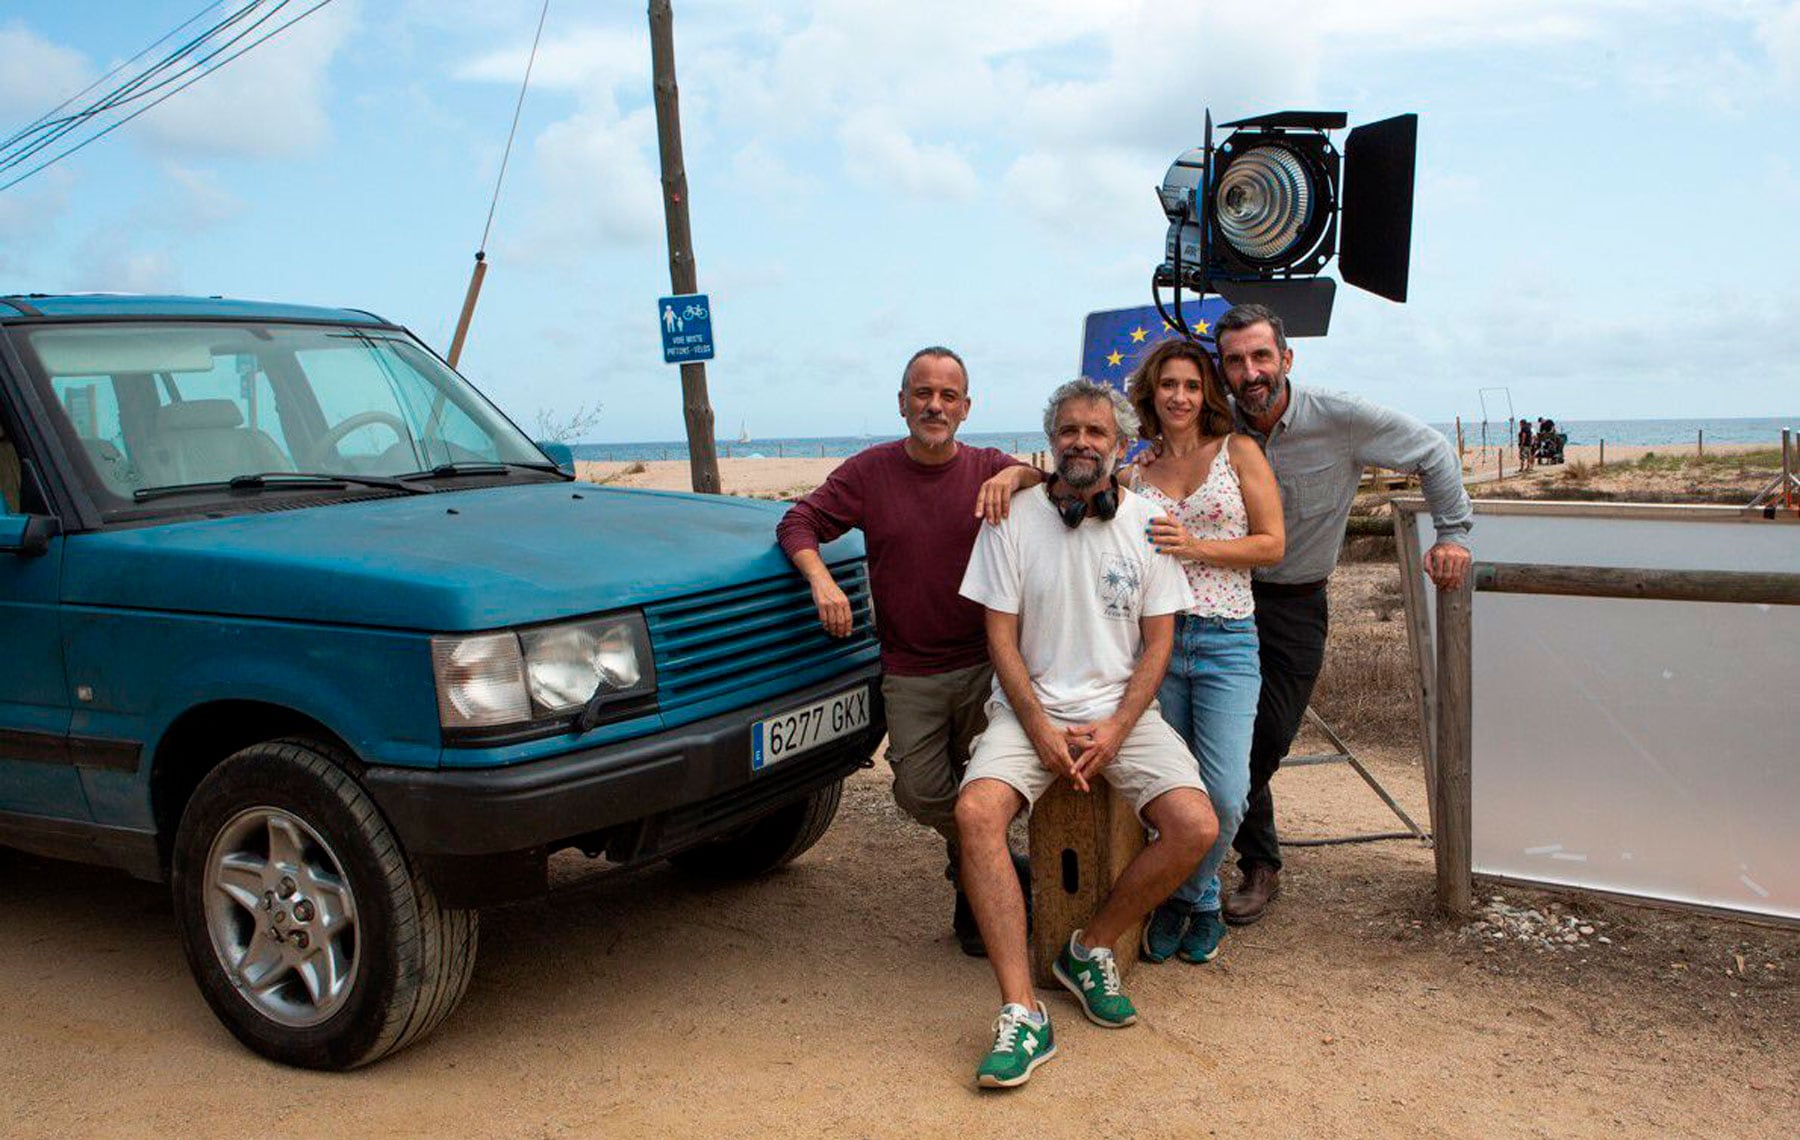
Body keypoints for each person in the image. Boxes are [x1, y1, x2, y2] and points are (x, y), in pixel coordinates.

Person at [954, 377, 1217, 1088]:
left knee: (1195, 826)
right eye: (1069, 431)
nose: (1081, 442)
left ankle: (1090, 947)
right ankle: (1021, 1011)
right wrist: (1038, 729)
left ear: (1121, 444)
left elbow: (1158, 645)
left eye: (1096, 432)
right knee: (976, 814)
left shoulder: (1149, 523)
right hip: (1027, 711)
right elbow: (999, 639)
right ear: (1051, 442)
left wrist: (1117, 727)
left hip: (1122, 716)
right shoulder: (1009, 518)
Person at [1213, 303, 1472, 926]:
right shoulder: (1214, 423)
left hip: (1296, 603)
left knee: (1263, 741)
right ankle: (1258, 861)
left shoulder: (1342, 418)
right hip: (1222, 602)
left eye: (1260, 356)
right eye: (1235, 361)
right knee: (1221, 737)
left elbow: (1434, 451)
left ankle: (1228, 854)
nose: (1250, 372)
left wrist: (1452, 534)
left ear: (1287, 359)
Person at [776, 346, 1039, 956]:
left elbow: (1059, 488)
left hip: (987, 664)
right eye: (923, 393)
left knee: (991, 781)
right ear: (902, 403)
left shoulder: (988, 467)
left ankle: (975, 900)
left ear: (967, 407)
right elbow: (798, 522)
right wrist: (822, 580)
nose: (935, 405)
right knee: (919, 791)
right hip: (911, 670)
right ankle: (986, 860)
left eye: (948, 396)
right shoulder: (870, 472)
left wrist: (1017, 474)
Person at [1120, 339, 1285, 966]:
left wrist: (1196, 547)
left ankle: (1190, 895)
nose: (1180, 397)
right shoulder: (1135, 472)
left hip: (1226, 639)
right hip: (1156, 643)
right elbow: (1074, 492)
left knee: (1223, 790)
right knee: (1168, 787)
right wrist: (1016, 473)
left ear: (1206, 392)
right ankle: (1185, 900)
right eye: (1169, 386)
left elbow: (1272, 544)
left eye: (1191, 385)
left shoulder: (1237, 452)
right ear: (1152, 394)